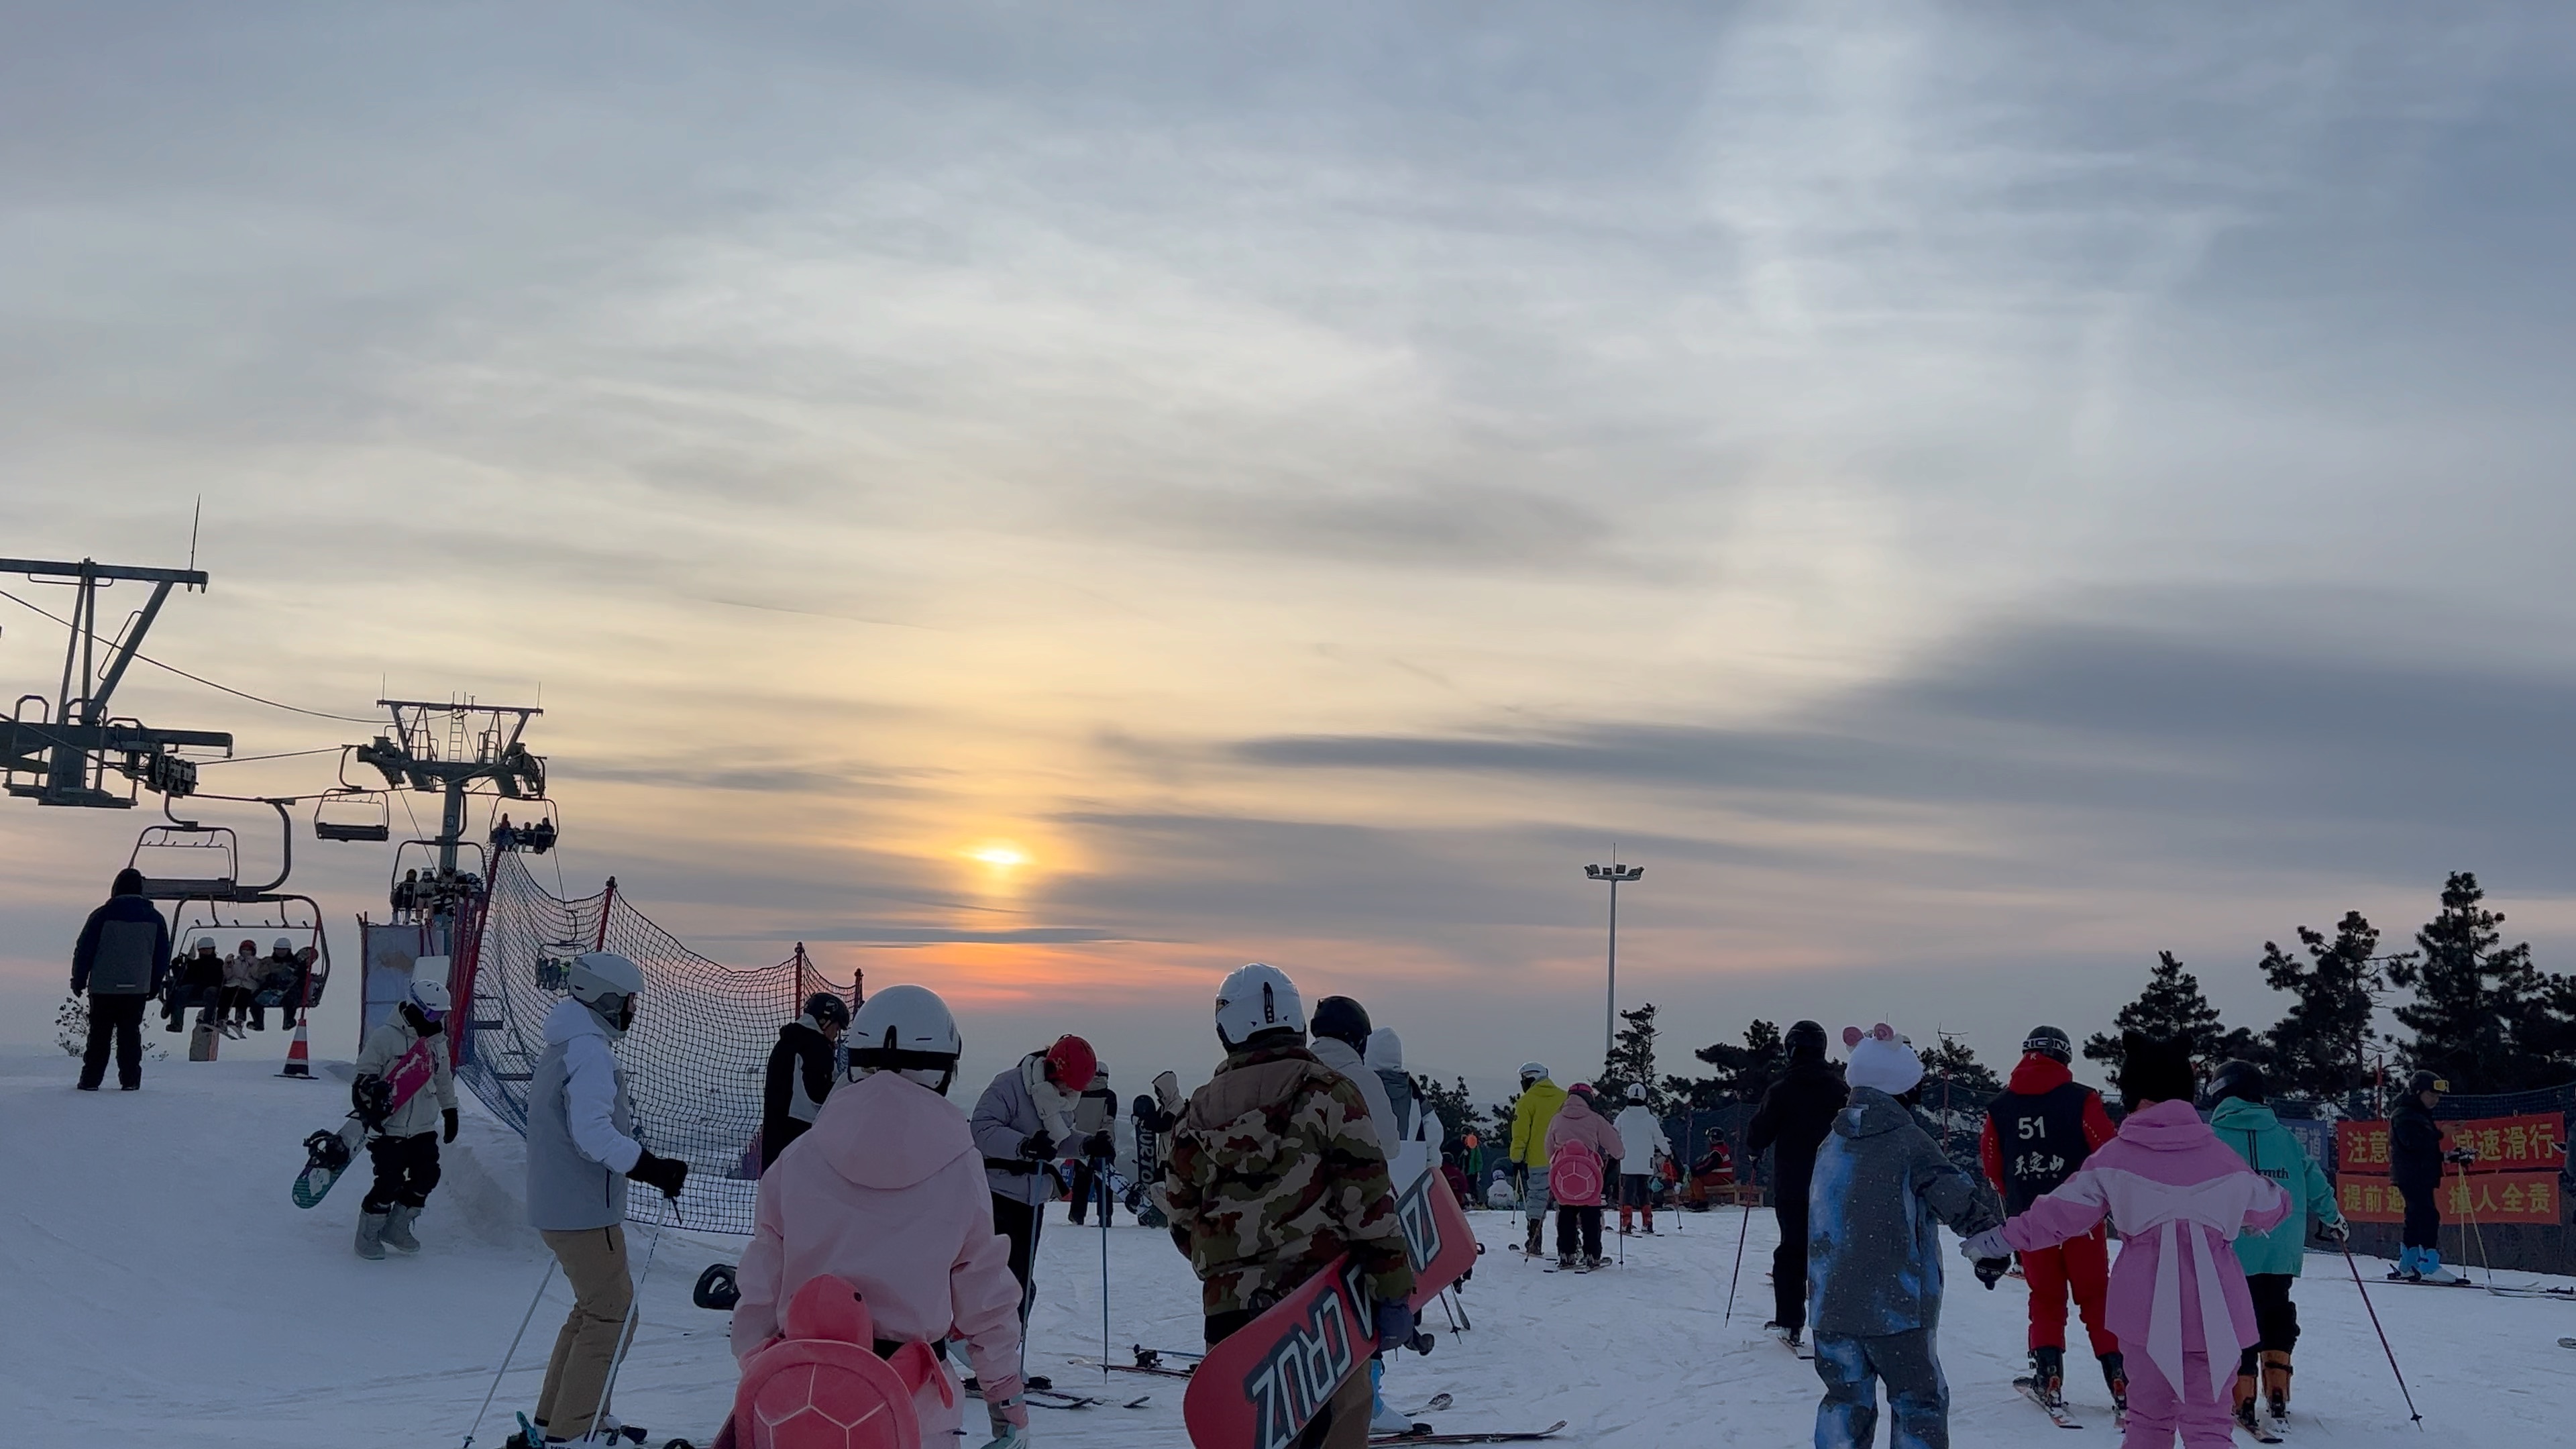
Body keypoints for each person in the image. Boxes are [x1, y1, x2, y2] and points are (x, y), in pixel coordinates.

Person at [727, 985, 1030, 1449]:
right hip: (911, 1405)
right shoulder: (959, 1164)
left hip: (799, 1400)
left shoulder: (801, 1157)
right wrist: (1004, 1398)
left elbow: (762, 1284)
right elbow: (984, 1296)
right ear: (943, 1070)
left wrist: (763, 1370)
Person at [1962, 1032, 2290, 1449]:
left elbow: (2055, 1216)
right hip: (2218, 1314)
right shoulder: (2222, 1159)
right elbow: (2274, 1206)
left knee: (2148, 1423)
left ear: (2133, 1093)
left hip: (2146, 1312)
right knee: (2209, 1427)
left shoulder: (2115, 1159)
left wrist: (1997, 1239)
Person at [1165, 963, 1415, 1449]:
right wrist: (1392, 1291)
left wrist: (1227, 1268)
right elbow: (1368, 1204)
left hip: (1233, 1317)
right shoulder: (1328, 1094)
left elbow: (1181, 1218)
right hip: (1325, 1309)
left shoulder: (1195, 1114)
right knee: (1336, 1431)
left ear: (1226, 1029)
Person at [517, 952, 690, 1448]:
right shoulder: (588, 1052)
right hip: (582, 1209)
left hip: (567, 1204)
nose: (633, 1011)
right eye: (630, 1002)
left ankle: (558, 1421)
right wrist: (652, 1167)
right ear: (607, 1000)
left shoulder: (569, 1045)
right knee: (613, 1314)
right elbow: (592, 1134)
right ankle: (573, 1433)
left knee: (593, 1311)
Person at [1807, 1025, 2004, 1449]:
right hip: (1896, 1308)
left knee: (1845, 1402)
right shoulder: (1909, 1142)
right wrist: (1990, 1245)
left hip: (1832, 1309)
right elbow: (1954, 1197)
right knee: (1918, 1402)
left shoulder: (1831, 1145)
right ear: (1905, 1087)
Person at [1978, 1024, 2122, 1412]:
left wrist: (2021, 1199)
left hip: (2031, 1223)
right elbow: (2108, 1152)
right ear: (2065, 1057)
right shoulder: (2082, 1099)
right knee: (2096, 1296)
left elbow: (1992, 1165)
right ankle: (2120, 1377)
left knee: (2045, 1297)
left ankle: (2049, 1375)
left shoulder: (2000, 1106)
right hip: (2084, 1221)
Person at [2204, 1059, 2349, 1436]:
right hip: (2281, 1247)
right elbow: (2314, 1180)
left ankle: (2243, 1392)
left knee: (2236, 1317)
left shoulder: (2210, 1138)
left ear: (2218, 1093)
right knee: (2275, 1308)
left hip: (2229, 1247)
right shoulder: (2285, 1137)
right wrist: (2333, 1219)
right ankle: (2279, 1387)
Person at [969, 1032, 1092, 1355]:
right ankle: (984, 1352)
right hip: (998, 1193)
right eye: (1068, 1085)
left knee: (1020, 1282)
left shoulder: (1060, 1101)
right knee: (996, 1279)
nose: (1070, 1093)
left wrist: (1086, 1144)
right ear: (1053, 1071)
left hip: (1032, 1199)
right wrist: (1022, 1146)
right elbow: (980, 1129)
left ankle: (1006, 1355)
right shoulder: (1009, 1086)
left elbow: (1058, 1141)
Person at [1746, 1020, 1849, 1349]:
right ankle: (1837, 1321)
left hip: (1794, 1184)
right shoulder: (1841, 1090)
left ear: (1791, 1049)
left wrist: (1754, 1150)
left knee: (1793, 1251)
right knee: (1834, 1252)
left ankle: (1790, 1322)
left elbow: (1759, 1133)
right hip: (1836, 1185)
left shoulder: (1782, 1090)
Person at [352, 972, 461, 1260]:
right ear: (416, 1008)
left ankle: (396, 1227)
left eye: (441, 1014)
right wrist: (370, 1102)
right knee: (390, 1181)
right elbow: (364, 1073)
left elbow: (443, 1079)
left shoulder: (437, 1042)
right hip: (389, 1127)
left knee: (428, 1175)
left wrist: (450, 1111)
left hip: (422, 1125)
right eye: (433, 1012)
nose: (437, 1019)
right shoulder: (387, 1036)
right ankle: (367, 1234)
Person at [70, 868, 169, 1092]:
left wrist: (79, 979)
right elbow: (161, 955)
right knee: (130, 1034)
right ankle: (131, 1080)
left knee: (99, 1035)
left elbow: (85, 949)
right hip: (137, 987)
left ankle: (91, 1080)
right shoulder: (155, 918)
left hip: (104, 986)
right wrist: (154, 984)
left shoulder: (102, 915)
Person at [2387, 1069, 2474, 1283]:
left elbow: (2423, 1149)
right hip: (2413, 1175)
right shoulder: (2405, 1114)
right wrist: (2440, 1134)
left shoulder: (2417, 1114)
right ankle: (2429, 1266)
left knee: (2416, 1217)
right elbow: (2413, 1144)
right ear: (2417, 1092)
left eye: (2437, 1096)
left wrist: (2448, 1156)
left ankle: (2409, 1264)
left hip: (2418, 1174)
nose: (2435, 1100)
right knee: (2428, 1216)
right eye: (2431, 1095)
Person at [760, 991, 849, 1170]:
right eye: (837, 1029)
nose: (835, 1036)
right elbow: (819, 1093)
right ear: (825, 1021)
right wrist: (847, 1089)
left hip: (776, 1134)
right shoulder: (815, 1045)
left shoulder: (789, 1040)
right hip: (800, 1134)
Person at [1544, 1082, 1624, 1269]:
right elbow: (1617, 1149)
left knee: (1565, 1213)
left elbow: (1548, 1148)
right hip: (1590, 1176)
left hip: (1562, 1175)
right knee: (1591, 1215)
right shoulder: (1595, 1119)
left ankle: (1566, 1253)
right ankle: (1592, 1255)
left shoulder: (1557, 1120)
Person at [1507, 1062, 1568, 1257]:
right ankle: (1570, 1245)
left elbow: (1520, 1133)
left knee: (1536, 1200)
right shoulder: (1564, 1097)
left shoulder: (1526, 1101)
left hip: (1538, 1160)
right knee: (1566, 1201)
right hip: (1564, 1160)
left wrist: (1516, 1158)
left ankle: (1534, 1242)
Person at [1065, 1064, 1120, 1227]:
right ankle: (1105, 1218)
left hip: (1081, 1145)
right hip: (1102, 1145)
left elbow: (1071, 1119)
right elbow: (1109, 1120)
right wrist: (1107, 1139)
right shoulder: (1109, 1096)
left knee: (1081, 1183)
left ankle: (1077, 1216)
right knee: (1104, 1185)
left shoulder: (1078, 1094)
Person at [1612, 1083, 1670, 1236]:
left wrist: (1610, 1151)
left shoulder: (1623, 1116)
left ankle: (1626, 1224)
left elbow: (1613, 1135)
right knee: (1644, 1191)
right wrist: (1667, 1151)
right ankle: (1647, 1223)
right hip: (1646, 1162)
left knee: (1628, 1192)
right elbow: (1660, 1138)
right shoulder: (1650, 1119)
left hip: (1627, 1161)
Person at [167, 935, 226, 1032]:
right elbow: (183, 979)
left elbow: (221, 977)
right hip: (197, 989)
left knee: (211, 992)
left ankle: (208, 1022)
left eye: (207, 949)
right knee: (181, 992)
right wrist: (176, 966)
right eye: (202, 949)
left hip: (212, 989)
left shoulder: (218, 963)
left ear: (213, 949)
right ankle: (176, 1023)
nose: (205, 951)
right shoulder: (194, 964)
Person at [262, 937, 315, 1030]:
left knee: (290, 1000)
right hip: (274, 988)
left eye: (283, 950)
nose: (281, 952)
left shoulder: (297, 964)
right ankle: (256, 1023)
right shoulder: (269, 961)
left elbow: (302, 977)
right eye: (278, 950)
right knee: (256, 999)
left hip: (290, 990)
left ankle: (288, 1021)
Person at [220, 938, 264, 1036]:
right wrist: (228, 966)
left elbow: (258, 976)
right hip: (234, 984)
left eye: (249, 950)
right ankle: (221, 1019)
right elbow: (228, 976)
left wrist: (252, 966)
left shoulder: (258, 962)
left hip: (249, 986)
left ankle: (240, 1020)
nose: (246, 952)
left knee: (243, 994)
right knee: (226, 993)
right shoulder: (235, 962)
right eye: (244, 949)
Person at [1685, 1128, 1735, 1208]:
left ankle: (1701, 1201)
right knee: (1695, 1177)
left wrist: (1694, 1171)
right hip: (1723, 1178)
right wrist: (1693, 1169)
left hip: (1723, 1179)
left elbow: (1707, 1167)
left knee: (1697, 1179)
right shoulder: (1720, 1151)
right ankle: (1694, 1200)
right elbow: (1704, 1163)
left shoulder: (1717, 1153)